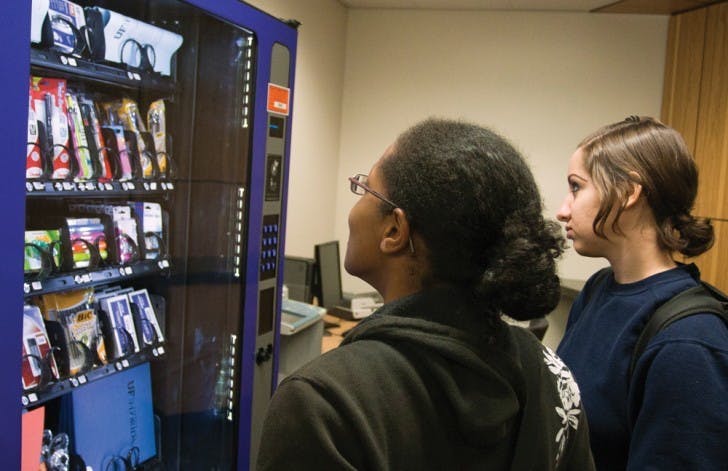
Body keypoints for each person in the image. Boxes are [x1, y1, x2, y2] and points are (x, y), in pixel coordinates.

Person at [257, 118, 595, 470]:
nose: (355, 204)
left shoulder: (323, 404)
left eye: (365, 188)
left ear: (395, 229)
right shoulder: (551, 374)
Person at [555, 116, 728, 470]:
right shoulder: (597, 291)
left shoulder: (689, 341)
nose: (562, 211)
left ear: (628, 192)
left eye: (576, 187)